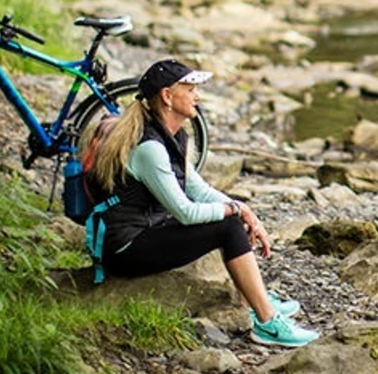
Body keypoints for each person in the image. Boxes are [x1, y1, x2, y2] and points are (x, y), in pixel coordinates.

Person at [86, 58, 318, 347]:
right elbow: (185, 212)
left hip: (148, 229)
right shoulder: (150, 148)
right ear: (167, 97)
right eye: (191, 88)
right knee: (227, 226)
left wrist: (245, 210)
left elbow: (199, 190)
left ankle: (253, 298)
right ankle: (267, 323)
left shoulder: (174, 136)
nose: (198, 96)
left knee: (231, 218)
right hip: (124, 248)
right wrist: (233, 211)